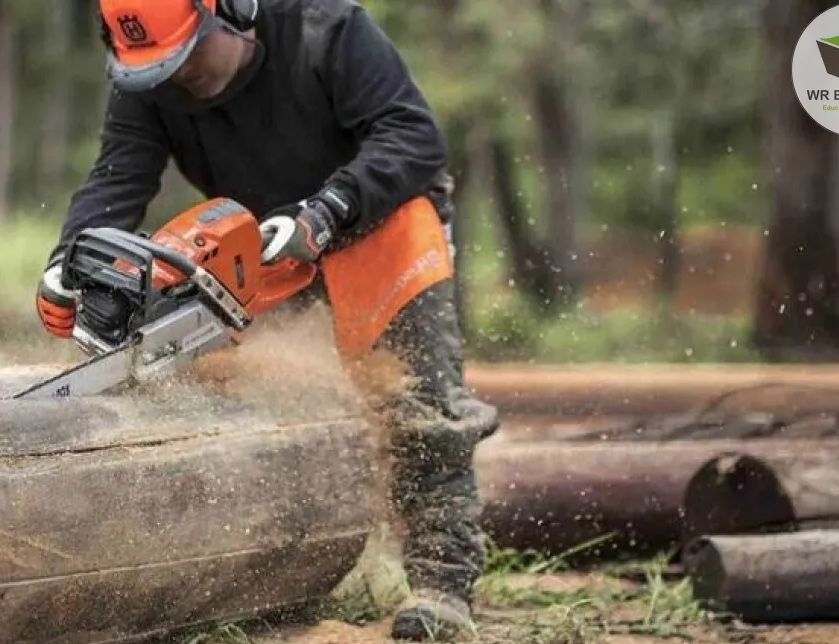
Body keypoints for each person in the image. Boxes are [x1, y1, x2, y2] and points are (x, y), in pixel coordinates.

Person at [34, 0, 500, 640]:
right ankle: (311, 561)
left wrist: (327, 212)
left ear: (232, 11)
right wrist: (73, 257)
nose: (175, 78)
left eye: (186, 56)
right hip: (268, 245)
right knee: (260, 397)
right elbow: (119, 174)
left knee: (417, 403)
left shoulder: (327, 32)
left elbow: (414, 138)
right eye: (154, 70)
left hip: (380, 221)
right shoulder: (150, 86)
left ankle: (443, 585)